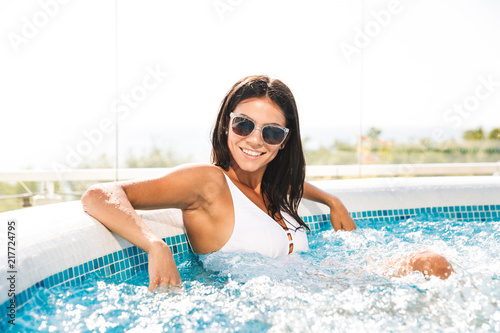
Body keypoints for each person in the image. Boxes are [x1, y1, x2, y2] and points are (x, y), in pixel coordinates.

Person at [81, 75, 452, 291]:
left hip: (321, 287)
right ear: (226, 123)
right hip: (279, 312)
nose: (255, 140)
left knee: (432, 262)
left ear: (283, 142)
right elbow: (100, 195)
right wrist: (154, 245)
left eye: (271, 132)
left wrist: (331, 200)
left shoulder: (273, 189)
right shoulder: (207, 183)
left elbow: (293, 179)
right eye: (244, 124)